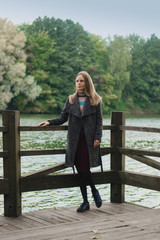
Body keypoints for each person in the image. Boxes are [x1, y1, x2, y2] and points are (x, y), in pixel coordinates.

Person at [38, 71, 103, 212]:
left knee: (85, 168)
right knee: (80, 170)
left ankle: (93, 191)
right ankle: (86, 201)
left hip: (89, 140)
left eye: (81, 81)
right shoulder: (71, 99)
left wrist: (98, 137)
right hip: (75, 141)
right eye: (77, 81)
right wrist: (49, 122)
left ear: (87, 82)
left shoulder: (95, 99)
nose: (78, 83)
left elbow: (99, 121)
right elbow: (62, 118)